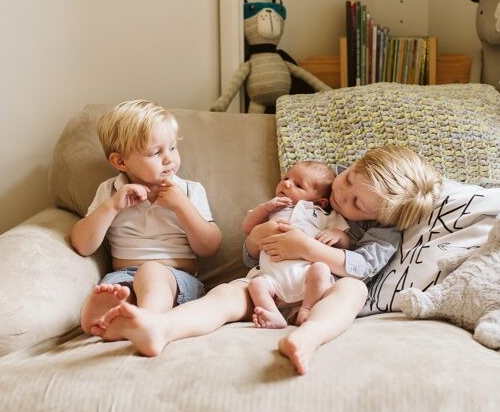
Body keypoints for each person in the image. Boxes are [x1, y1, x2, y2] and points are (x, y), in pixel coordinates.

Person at [94, 145, 442, 373]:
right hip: (268, 284)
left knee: (354, 291)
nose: (341, 194)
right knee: (227, 293)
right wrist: (256, 240)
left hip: (319, 289)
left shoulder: (385, 225)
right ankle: (161, 328)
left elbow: (364, 267)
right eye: (349, 179)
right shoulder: (319, 180)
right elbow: (251, 254)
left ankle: (310, 335)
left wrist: (308, 249)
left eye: (356, 204)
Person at [72, 99, 222, 340]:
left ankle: (145, 319)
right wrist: (112, 206)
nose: (169, 159)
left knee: (151, 272)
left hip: (177, 279)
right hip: (123, 277)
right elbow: (82, 244)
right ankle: (114, 319)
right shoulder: (110, 192)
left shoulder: (189, 191)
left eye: (172, 148)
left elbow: (210, 247)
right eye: (156, 153)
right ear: (120, 162)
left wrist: (182, 207)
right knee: (120, 293)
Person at [243, 161, 352, 330]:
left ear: (321, 202)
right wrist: (264, 208)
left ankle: (307, 309)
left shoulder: (322, 214)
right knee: (255, 284)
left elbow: (346, 241)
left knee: (321, 269)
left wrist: (337, 235)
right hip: (272, 278)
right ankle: (273, 315)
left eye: (298, 185)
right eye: (286, 178)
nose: (286, 183)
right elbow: (248, 228)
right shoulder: (272, 208)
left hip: (305, 275)